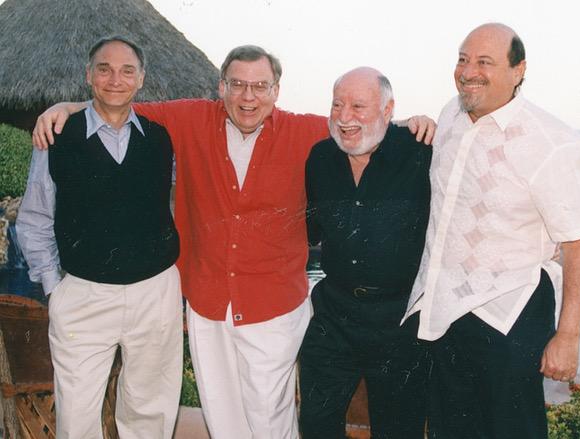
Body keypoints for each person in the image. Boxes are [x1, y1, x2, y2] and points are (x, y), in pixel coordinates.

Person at [31, 45, 435, 439]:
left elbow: (359, 128)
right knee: (221, 415)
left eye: (260, 86)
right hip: (209, 303)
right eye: (237, 84)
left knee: (269, 417)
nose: (248, 96)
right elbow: (119, 106)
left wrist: (413, 123)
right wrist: (64, 109)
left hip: (274, 305)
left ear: (276, 91)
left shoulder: (305, 130)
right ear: (220, 87)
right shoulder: (189, 119)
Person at [404, 23, 580, 439]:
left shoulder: (552, 143)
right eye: (462, 59)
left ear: (518, 70)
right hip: (445, 313)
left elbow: (579, 244)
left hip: (510, 313)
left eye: (484, 62)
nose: (468, 71)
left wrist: (568, 336)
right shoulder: (449, 115)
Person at [16, 36, 182, 439]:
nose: (115, 79)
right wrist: (56, 288)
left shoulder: (162, 138)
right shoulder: (57, 135)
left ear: (141, 79)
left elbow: (175, 205)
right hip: (83, 295)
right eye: (104, 69)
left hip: (154, 292)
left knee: (150, 410)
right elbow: (34, 217)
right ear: (88, 75)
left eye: (127, 70)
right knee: (76, 414)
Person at [299, 67, 431, 438]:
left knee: (398, 429)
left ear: (388, 110)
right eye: (337, 104)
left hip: (400, 322)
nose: (344, 117)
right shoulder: (321, 158)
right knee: (316, 424)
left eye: (358, 106)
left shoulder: (421, 152)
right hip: (334, 317)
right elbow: (311, 230)